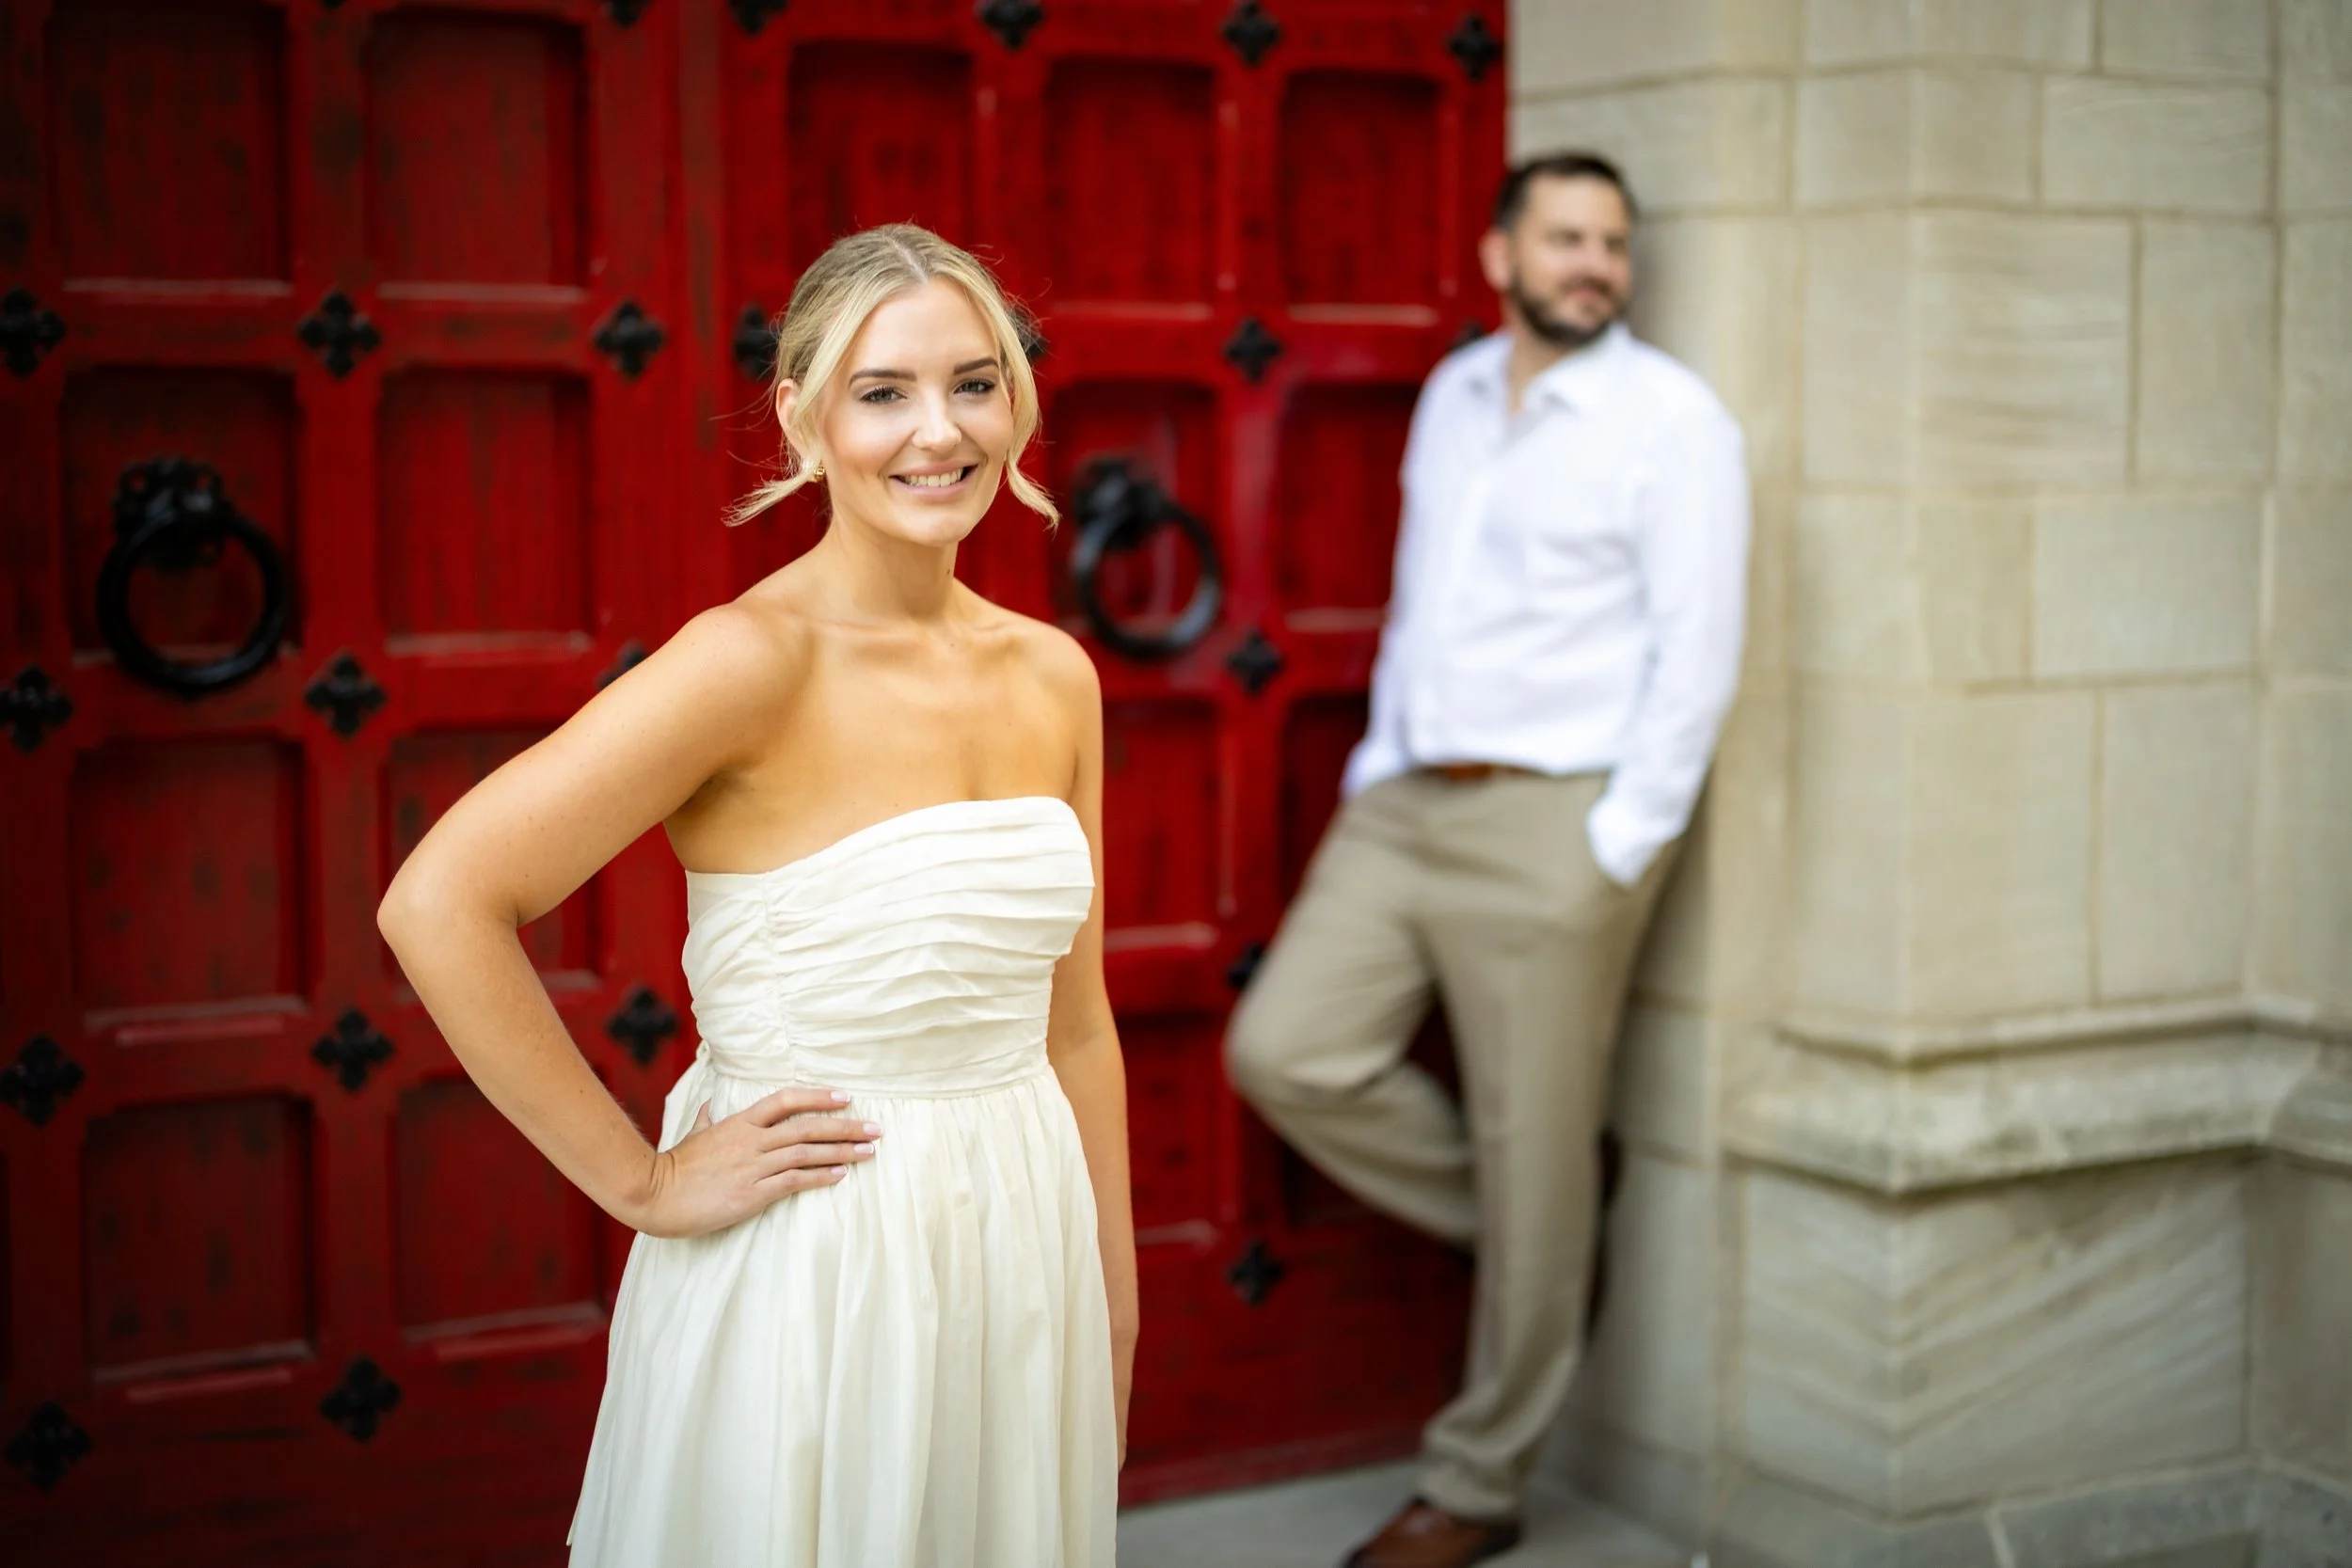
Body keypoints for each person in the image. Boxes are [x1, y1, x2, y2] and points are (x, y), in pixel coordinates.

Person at [378, 224, 1136, 1568]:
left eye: (974, 381)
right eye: (882, 390)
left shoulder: (1054, 675)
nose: (938, 431)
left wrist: (1112, 1301)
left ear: (1018, 398)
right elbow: (441, 902)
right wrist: (641, 1182)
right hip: (821, 1265)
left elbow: (1076, 1024)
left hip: (1022, 1249)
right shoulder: (745, 663)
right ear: (802, 417)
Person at [1225, 151, 1749, 1568]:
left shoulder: (1669, 421)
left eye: (1615, 244)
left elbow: (1697, 655)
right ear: (1498, 255)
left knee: (1539, 1152)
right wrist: (1377, 761)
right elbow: (1425, 598)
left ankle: (1477, 1481)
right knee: (1286, 1050)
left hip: (1555, 825)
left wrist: (1615, 848)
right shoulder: (1458, 392)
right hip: (1405, 802)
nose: (1594, 263)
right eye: (1566, 237)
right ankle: (1545, 1220)